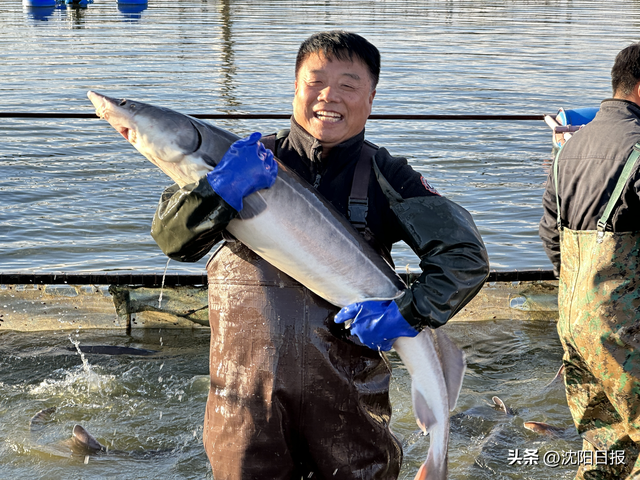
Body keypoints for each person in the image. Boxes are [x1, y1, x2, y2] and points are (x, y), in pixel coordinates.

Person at [151, 31, 489, 479]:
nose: (329, 96)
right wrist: (218, 193)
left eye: (348, 85)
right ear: (295, 86)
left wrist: (410, 312)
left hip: (348, 407)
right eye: (315, 82)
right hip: (244, 403)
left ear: (371, 97)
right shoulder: (239, 161)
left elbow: (463, 256)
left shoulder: (387, 175)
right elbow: (173, 240)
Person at [539, 43, 640, 479]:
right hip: (626, 329)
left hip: (574, 325)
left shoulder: (568, 152)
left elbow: (550, 236)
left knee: (604, 447)